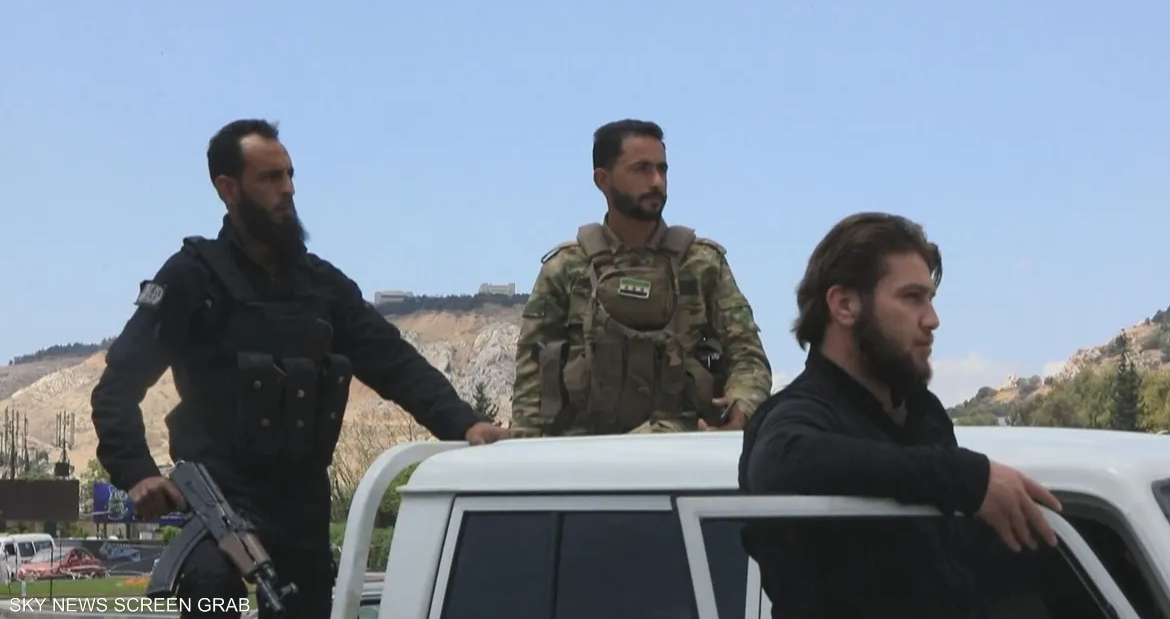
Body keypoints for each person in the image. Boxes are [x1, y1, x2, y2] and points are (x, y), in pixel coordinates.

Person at [89, 119, 508, 619]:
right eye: (269, 178)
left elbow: (393, 362)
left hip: (301, 500)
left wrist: (464, 423)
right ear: (228, 189)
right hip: (219, 494)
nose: (287, 189)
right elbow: (117, 385)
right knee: (207, 584)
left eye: (289, 175)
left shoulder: (322, 284)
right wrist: (137, 472)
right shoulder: (192, 277)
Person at [738, 212, 1062, 619]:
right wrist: (964, 476)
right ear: (844, 305)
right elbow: (782, 462)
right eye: (911, 298)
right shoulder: (798, 415)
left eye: (930, 299)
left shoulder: (921, 414)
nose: (932, 320)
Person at [510, 119, 772, 437]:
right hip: (582, 452)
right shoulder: (566, 269)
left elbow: (747, 355)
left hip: (682, 446)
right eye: (642, 169)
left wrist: (741, 407)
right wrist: (524, 446)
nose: (657, 181)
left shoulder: (702, 264)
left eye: (662, 169)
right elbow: (532, 377)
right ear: (602, 179)